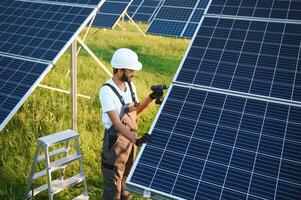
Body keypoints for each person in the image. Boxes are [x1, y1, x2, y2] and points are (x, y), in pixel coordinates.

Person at [99, 48, 163, 200]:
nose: (133, 73)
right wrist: (136, 139)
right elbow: (116, 121)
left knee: (126, 180)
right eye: (130, 70)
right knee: (113, 184)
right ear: (119, 70)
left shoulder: (131, 86)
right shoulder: (106, 91)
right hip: (116, 142)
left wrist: (151, 97)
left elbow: (135, 110)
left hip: (130, 140)